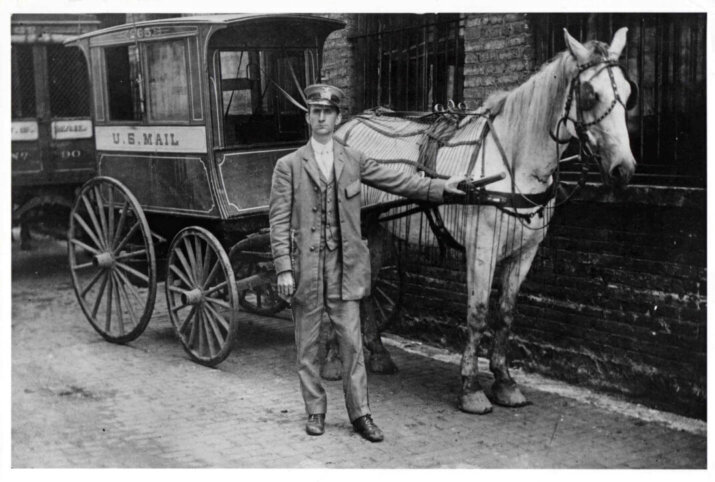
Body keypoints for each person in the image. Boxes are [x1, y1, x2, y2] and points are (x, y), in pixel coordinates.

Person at [269, 83, 466, 442]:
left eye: (328, 112)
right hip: (307, 271)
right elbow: (278, 221)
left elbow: (400, 180)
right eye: (316, 112)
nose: (322, 118)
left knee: (352, 345)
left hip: (345, 269)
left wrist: (441, 188)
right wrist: (283, 267)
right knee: (307, 346)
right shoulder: (288, 166)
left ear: (338, 117)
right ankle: (315, 410)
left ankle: (361, 415)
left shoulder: (354, 160)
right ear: (308, 117)